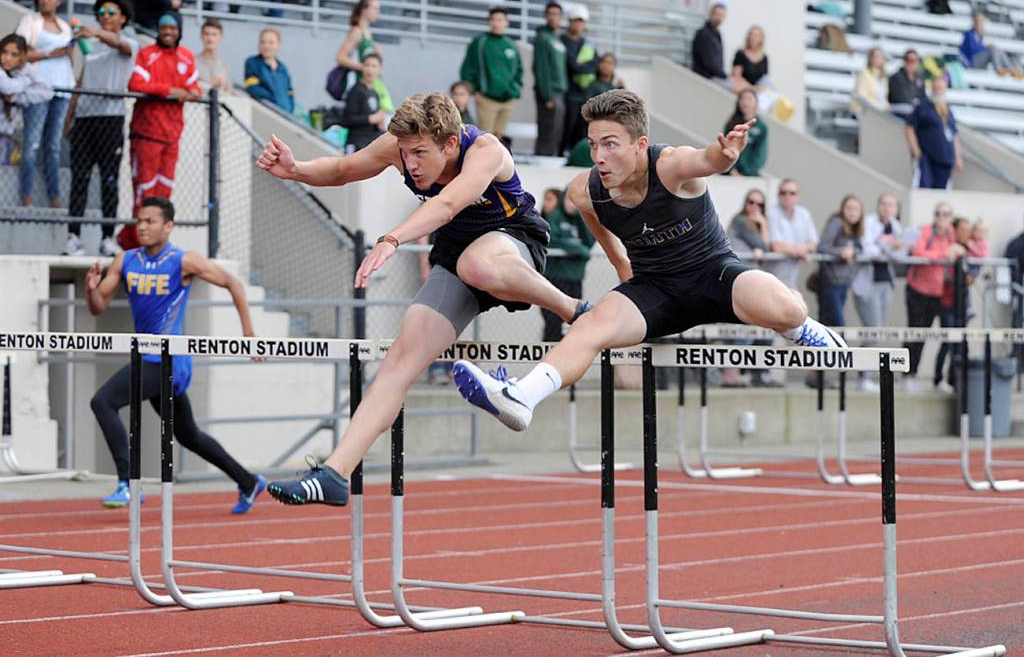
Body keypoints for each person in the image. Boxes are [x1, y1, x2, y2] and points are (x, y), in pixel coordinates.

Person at [257, 92, 591, 506]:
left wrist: (393, 238)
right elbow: (344, 168)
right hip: (456, 251)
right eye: (404, 153)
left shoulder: (484, 150)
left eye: (419, 153)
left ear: (449, 144)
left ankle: (573, 308)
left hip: (514, 243)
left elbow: (449, 203)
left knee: (478, 264)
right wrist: (296, 170)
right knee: (401, 357)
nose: (409, 163)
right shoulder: (398, 147)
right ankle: (335, 473)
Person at [451, 90, 847, 434]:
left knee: (786, 306)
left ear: (640, 144)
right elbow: (593, 220)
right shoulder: (586, 190)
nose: (599, 157)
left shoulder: (669, 165)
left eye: (610, 144)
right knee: (591, 325)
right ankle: (522, 396)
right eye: (593, 145)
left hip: (714, 276)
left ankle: (797, 325)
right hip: (655, 290)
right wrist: (623, 265)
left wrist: (723, 156)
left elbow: (704, 160)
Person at [84, 197, 266, 513]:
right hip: (147, 359)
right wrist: (90, 289)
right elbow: (98, 308)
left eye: (150, 221)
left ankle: (129, 483)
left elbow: (232, 283)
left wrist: (248, 332)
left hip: (169, 360)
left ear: (168, 226)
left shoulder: (183, 261)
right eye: (139, 221)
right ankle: (249, 481)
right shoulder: (125, 260)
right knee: (188, 435)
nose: (141, 227)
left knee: (103, 401)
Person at [65, 0, 139, 259]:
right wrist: (69, 117)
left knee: (109, 179)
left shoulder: (127, 42)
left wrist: (96, 32)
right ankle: (73, 236)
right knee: (79, 179)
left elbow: (121, 45)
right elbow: (81, 81)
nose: (106, 17)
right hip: (85, 119)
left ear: (122, 18)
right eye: (102, 13)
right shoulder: (91, 48)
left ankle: (107, 237)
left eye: (111, 13)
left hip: (110, 118)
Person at [120, 11, 200, 250]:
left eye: (172, 28)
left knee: (164, 195)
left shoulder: (186, 57)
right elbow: (135, 84)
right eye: (163, 27)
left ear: (179, 31)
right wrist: (171, 91)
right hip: (146, 134)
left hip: (172, 136)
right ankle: (131, 243)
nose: (167, 31)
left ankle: (155, 245)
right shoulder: (147, 54)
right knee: (144, 193)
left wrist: (191, 92)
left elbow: (195, 89)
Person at [15, 0, 73, 209]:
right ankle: (26, 195)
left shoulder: (65, 27)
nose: (45, 0)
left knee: (54, 146)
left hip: (62, 89)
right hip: (38, 90)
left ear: (59, 1)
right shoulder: (30, 22)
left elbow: (69, 58)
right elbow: (18, 52)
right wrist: (49, 54)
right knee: (32, 144)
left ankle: (54, 195)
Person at [902, 201, 959, 391]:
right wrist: (944, 253)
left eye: (946, 214)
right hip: (918, 290)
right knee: (915, 333)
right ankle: (908, 374)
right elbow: (919, 252)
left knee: (928, 335)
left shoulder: (951, 233)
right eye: (938, 213)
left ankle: (931, 376)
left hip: (938, 293)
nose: (942, 217)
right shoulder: (925, 231)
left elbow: (953, 256)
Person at [725, 188, 773, 387]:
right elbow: (763, 244)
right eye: (751, 202)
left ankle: (758, 374)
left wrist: (762, 226)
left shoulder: (755, 224)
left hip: (752, 283)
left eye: (759, 204)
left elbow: (765, 248)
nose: (754, 207)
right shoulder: (741, 221)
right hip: (739, 282)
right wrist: (762, 226)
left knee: (761, 327)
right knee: (743, 330)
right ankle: (731, 375)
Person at [459, 7, 522, 141]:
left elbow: (519, 71)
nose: (496, 23)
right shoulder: (480, 42)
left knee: (499, 138)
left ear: (507, 23)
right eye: (493, 20)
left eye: (499, 20)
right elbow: (467, 68)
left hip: (508, 99)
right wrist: (474, 91)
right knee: (485, 139)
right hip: (486, 98)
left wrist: (515, 90)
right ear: (489, 22)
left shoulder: (511, 45)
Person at [540, 187, 594, 342]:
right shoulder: (555, 215)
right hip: (554, 278)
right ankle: (549, 362)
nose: (571, 204)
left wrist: (580, 214)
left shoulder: (581, 217)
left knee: (573, 322)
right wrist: (579, 249)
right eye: (568, 200)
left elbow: (589, 241)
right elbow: (552, 240)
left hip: (575, 278)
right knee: (552, 323)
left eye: (574, 201)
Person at [934, 216, 981, 392]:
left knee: (961, 343)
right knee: (948, 341)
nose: (965, 233)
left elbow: (979, 260)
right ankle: (938, 378)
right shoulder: (948, 248)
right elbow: (944, 274)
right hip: (947, 303)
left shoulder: (968, 249)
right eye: (962, 230)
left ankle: (956, 380)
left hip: (962, 304)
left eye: (968, 230)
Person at [0, 34, 53, 165]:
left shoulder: (22, 71)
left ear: (22, 57)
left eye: (14, 54)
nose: (7, 58)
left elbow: (47, 92)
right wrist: (25, 81)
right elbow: (7, 88)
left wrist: (16, 97)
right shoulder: (14, 75)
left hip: (6, 135)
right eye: (4, 52)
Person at [858, 193, 905, 331]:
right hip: (868, 280)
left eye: (891, 205)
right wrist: (888, 246)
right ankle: (863, 353)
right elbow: (868, 248)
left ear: (896, 209)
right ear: (878, 206)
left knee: (880, 328)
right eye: (883, 204)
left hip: (886, 280)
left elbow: (899, 253)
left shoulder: (895, 226)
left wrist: (891, 248)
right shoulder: (868, 222)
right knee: (873, 328)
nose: (887, 208)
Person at [906, 76, 963, 189]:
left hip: (945, 157)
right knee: (925, 186)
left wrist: (957, 156)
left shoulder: (947, 109)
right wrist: (916, 150)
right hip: (928, 156)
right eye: (936, 88)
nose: (938, 90)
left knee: (940, 190)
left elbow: (954, 134)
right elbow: (910, 128)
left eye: (941, 88)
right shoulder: (923, 107)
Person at [817, 195, 864, 328]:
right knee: (836, 324)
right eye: (848, 208)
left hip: (844, 282)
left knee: (830, 324)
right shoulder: (836, 222)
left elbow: (860, 249)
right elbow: (822, 247)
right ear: (842, 209)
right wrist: (841, 252)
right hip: (830, 282)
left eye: (855, 209)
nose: (852, 212)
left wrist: (852, 251)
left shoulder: (855, 229)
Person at [767, 179, 819, 290]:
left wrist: (803, 248)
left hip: (792, 277)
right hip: (771, 276)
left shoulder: (804, 214)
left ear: (797, 196)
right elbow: (776, 245)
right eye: (783, 192)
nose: (787, 196)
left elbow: (814, 243)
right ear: (778, 195)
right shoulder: (771, 212)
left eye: (792, 193)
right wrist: (801, 252)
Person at [561, 5, 598, 154]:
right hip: (568, 93)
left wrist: (580, 65)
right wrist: (581, 66)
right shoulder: (562, 41)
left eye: (581, 21)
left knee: (582, 128)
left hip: (584, 93)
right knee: (567, 126)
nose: (578, 25)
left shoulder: (587, 43)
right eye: (575, 21)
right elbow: (572, 65)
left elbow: (595, 64)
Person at [532, 0, 567, 156]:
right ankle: (543, 159)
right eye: (550, 14)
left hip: (560, 91)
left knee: (557, 130)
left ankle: (551, 158)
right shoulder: (542, 37)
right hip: (549, 92)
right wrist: (546, 95)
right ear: (546, 16)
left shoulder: (557, 38)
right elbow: (541, 68)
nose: (553, 17)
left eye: (556, 14)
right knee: (548, 129)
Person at [334, 0, 382, 98]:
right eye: (375, 8)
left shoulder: (368, 33)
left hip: (368, 85)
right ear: (364, 10)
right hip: (357, 85)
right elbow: (340, 57)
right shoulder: (357, 31)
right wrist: (364, 67)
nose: (378, 12)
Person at [339, 53, 386, 152]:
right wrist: (370, 119)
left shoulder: (375, 93)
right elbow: (347, 120)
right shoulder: (355, 91)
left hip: (370, 146)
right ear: (362, 67)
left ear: (380, 69)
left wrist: (380, 122)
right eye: (367, 65)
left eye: (374, 66)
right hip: (356, 144)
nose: (370, 69)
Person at [244, 27, 294, 114]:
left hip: (285, 116)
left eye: (271, 43)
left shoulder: (282, 68)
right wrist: (276, 99)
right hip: (266, 114)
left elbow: (290, 93)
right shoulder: (252, 63)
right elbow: (254, 89)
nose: (266, 46)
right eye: (262, 42)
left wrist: (290, 109)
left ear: (279, 44)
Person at [960, 11, 1023, 77]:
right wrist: (985, 47)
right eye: (978, 22)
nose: (980, 24)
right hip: (971, 62)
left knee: (997, 49)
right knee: (992, 49)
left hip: (979, 60)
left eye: (981, 22)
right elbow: (972, 50)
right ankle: (998, 68)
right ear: (974, 23)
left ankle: (1011, 70)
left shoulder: (981, 35)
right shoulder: (969, 34)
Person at [724, 88, 766, 176]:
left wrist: (747, 172)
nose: (745, 102)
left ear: (756, 103)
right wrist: (732, 170)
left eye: (749, 99)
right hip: (729, 171)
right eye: (742, 99)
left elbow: (760, 154)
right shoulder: (732, 123)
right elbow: (725, 146)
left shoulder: (761, 127)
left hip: (749, 174)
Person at [691, 3, 727, 86]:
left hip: (715, 77)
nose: (719, 18)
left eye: (721, 15)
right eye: (716, 14)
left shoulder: (716, 34)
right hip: (706, 79)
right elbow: (708, 62)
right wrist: (724, 76)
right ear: (711, 15)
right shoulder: (703, 34)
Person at [731, 25, 769, 94]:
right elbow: (736, 76)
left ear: (761, 39)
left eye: (756, 36)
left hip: (757, 89)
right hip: (742, 86)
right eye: (751, 35)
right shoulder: (740, 53)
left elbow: (764, 79)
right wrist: (751, 88)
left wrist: (757, 88)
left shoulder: (765, 58)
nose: (753, 38)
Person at [196, 19, 231, 94]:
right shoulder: (193, 62)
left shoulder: (223, 65)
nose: (210, 39)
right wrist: (210, 84)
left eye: (214, 34)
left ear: (221, 37)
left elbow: (229, 91)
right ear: (201, 36)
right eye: (206, 34)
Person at [852, 46, 888, 112]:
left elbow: (883, 98)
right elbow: (861, 97)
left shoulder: (883, 77)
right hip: (865, 112)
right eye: (876, 56)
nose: (879, 59)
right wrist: (880, 106)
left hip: (879, 112)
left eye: (881, 56)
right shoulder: (864, 74)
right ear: (870, 58)